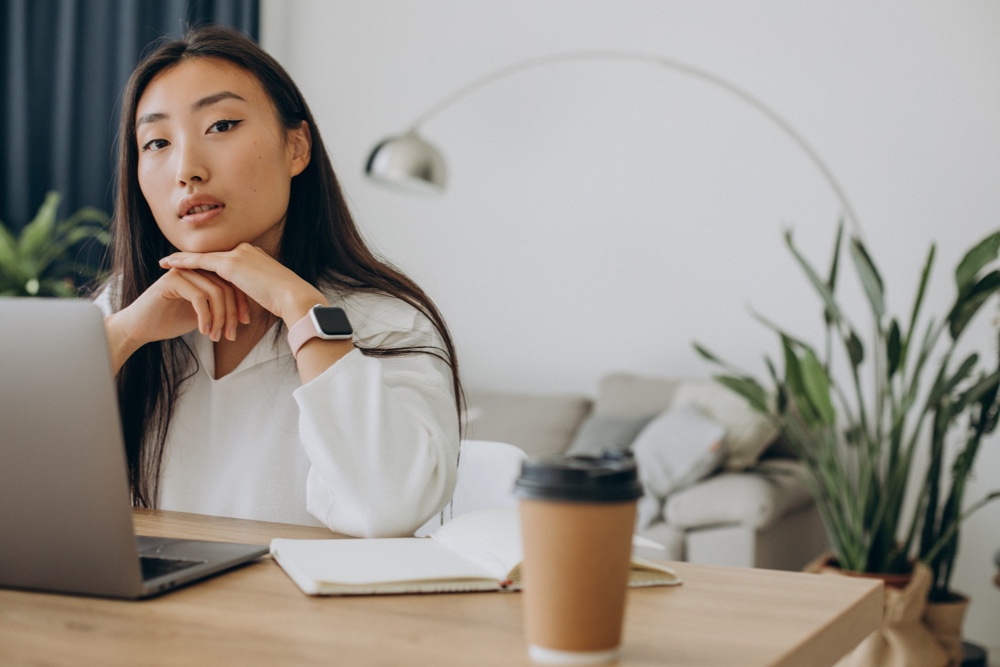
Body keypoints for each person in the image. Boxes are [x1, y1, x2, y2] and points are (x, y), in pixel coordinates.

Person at [96, 25, 462, 538]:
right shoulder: (118, 308)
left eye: (221, 125)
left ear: (297, 147)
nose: (187, 170)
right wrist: (125, 333)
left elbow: (387, 509)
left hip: (302, 617)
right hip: (141, 615)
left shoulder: (386, 322)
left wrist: (303, 310)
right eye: (156, 142)